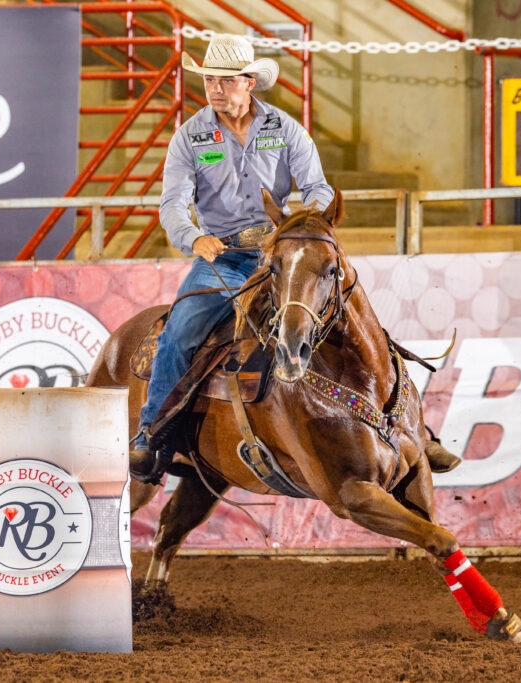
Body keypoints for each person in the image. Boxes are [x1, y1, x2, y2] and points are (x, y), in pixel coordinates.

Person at [130, 33, 334, 478]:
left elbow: (318, 188)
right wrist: (192, 237)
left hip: (278, 258)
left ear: (249, 82)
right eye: (209, 80)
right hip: (222, 256)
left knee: (343, 316)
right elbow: (172, 204)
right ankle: (152, 432)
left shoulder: (284, 129)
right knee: (180, 332)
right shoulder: (191, 136)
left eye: (225, 80)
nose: (215, 88)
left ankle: (396, 419)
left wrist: (301, 226)